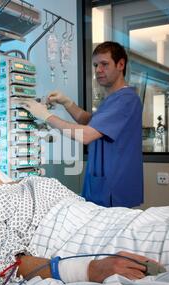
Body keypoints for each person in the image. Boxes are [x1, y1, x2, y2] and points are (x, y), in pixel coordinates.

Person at [0, 120, 160, 285]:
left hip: (109, 221)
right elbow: (1, 260)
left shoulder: (25, 182)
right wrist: (90, 269)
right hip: (75, 242)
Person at [16, 41, 143, 208]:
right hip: (104, 186)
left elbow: (88, 134)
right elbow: (90, 121)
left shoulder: (125, 99)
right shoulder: (112, 99)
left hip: (113, 190)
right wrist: (67, 103)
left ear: (121, 64)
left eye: (104, 64)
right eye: (96, 65)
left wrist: (46, 116)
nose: (98, 70)